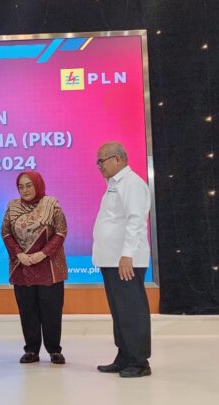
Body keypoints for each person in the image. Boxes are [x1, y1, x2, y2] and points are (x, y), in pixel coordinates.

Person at [92, 141, 152, 378]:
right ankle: (124, 356)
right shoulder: (114, 184)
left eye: (102, 161)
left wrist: (127, 254)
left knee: (132, 311)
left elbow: (136, 221)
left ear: (117, 159)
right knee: (119, 312)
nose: (99, 166)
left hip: (126, 261)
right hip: (111, 260)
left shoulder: (131, 183)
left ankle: (139, 362)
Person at [1, 171, 68, 365]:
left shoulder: (51, 204)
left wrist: (43, 253)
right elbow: (5, 233)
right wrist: (19, 254)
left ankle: (54, 350)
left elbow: (61, 232)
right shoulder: (12, 206)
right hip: (22, 266)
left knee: (51, 310)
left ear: (37, 184)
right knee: (27, 310)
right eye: (21, 186)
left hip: (49, 266)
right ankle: (31, 350)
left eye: (29, 185)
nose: (25, 190)